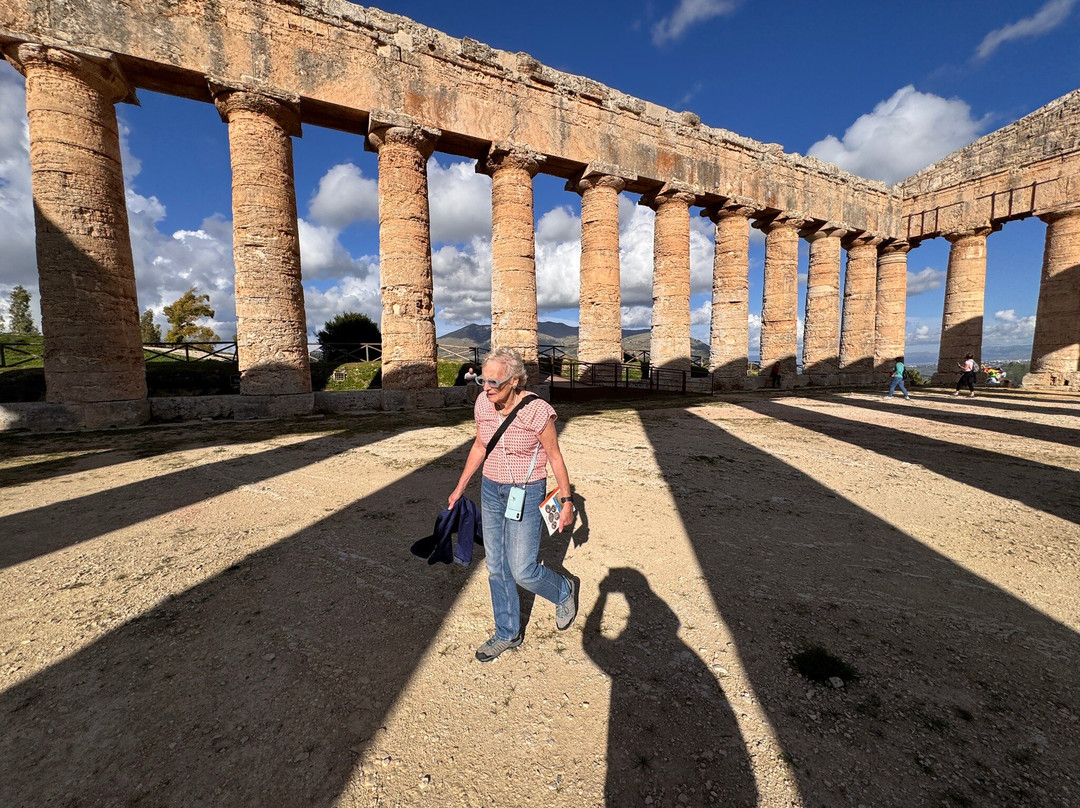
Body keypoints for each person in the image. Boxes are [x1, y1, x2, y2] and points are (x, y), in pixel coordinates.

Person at [448, 347, 577, 662]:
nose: (487, 388)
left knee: (522, 569)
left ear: (515, 380)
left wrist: (567, 499)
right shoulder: (483, 403)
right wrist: (460, 486)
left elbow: (555, 456)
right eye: (483, 380)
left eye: (495, 382)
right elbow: (480, 445)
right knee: (496, 566)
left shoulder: (537, 411)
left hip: (527, 489)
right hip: (492, 490)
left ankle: (564, 591)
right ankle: (507, 632)